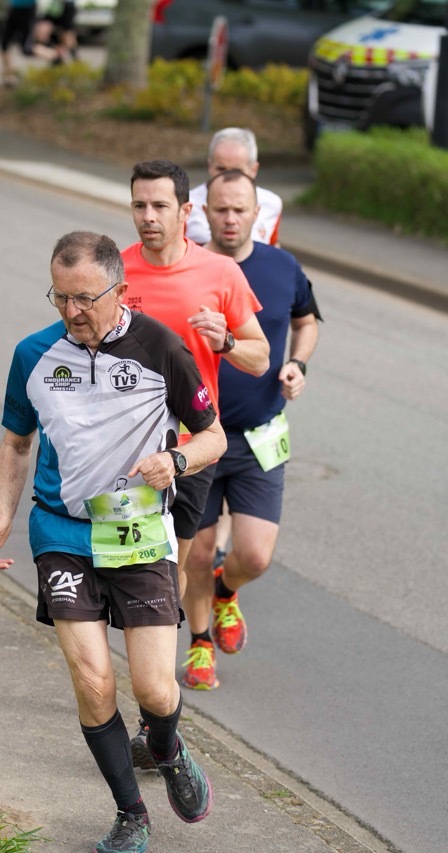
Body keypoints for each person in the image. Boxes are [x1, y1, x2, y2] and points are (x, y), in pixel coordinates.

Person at [0, 231, 225, 853]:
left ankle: (167, 748)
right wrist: (2, 514)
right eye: (60, 297)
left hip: (139, 534)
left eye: (85, 298)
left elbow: (214, 436)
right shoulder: (33, 354)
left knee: (155, 690)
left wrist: (177, 459)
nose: (72, 311)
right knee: (92, 682)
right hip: (61, 532)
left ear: (120, 291)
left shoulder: (161, 347)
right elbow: (16, 443)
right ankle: (131, 813)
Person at [154, 170, 320, 711]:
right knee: (198, 552)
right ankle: (201, 642)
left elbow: (307, 321)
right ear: (204, 213)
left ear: (256, 213)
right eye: (220, 209)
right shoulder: (191, 267)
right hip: (199, 436)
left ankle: (228, 590)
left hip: (258, 435)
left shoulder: (282, 267)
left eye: (239, 210)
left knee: (254, 554)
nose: (229, 219)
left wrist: (297, 364)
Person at [121, 158, 269, 690]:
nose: (148, 216)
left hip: (192, 449)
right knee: (128, 569)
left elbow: (260, 357)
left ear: (185, 211)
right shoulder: (116, 272)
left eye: (160, 205)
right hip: (124, 452)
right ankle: (148, 681)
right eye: (139, 205)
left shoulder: (220, 273)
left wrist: (225, 342)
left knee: (171, 570)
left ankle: (157, 688)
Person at [184, 127, 284, 248]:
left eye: (237, 171)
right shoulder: (186, 203)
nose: (228, 177)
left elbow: (273, 247)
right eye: (221, 169)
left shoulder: (271, 203)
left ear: (254, 169)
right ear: (210, 166)